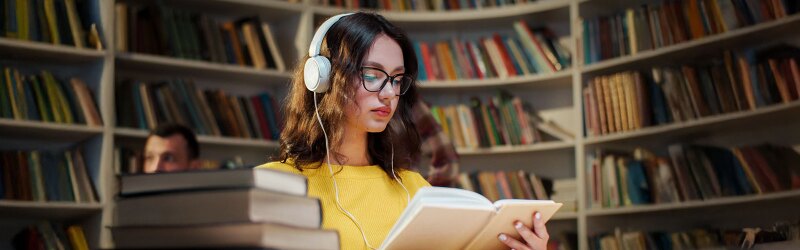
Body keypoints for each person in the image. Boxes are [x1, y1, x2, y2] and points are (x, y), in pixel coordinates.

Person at [259, 12, 549, 250]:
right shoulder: (273, 185)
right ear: (323, 78)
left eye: (397, 79)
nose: (389, 93)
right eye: (372, 75)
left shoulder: (416, 190)